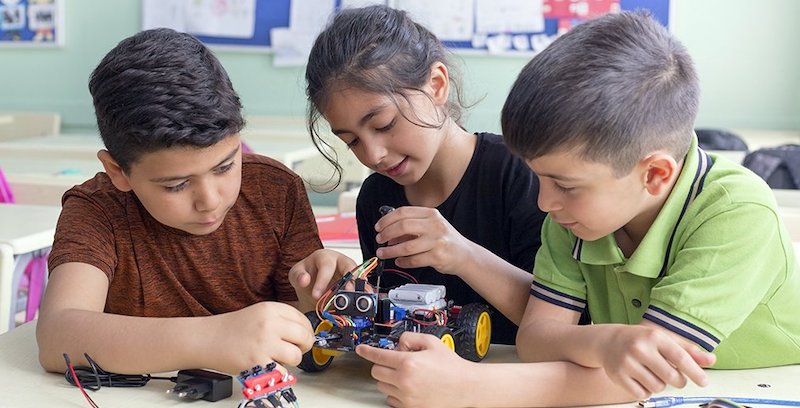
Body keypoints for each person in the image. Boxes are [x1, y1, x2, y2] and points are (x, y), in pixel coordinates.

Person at [354, 11, 800, 408]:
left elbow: (645, 374)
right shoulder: (574, 215)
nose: (545, 201)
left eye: (565, 185)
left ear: (655, 175)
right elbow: (535, 338)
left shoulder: (734, 211)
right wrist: (605, 341)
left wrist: (469, 387)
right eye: (541, 178)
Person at [36, 28, 322, 376]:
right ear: (118, 171)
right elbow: (56, 338)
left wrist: (319, 299)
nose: (210, 200)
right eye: (176, 185)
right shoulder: (97, 210)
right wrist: (213, 339)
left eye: (226, 166)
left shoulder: (276, 190)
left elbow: (303, 330)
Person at [289, 4, 547, 346]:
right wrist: (343, 290)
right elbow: (391, 320)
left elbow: (564, 319)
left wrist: (462, 255)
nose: (372, 155)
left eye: (384, 124)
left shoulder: (520, 174)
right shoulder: (377, 196)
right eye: (351, 141)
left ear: (436, 85)